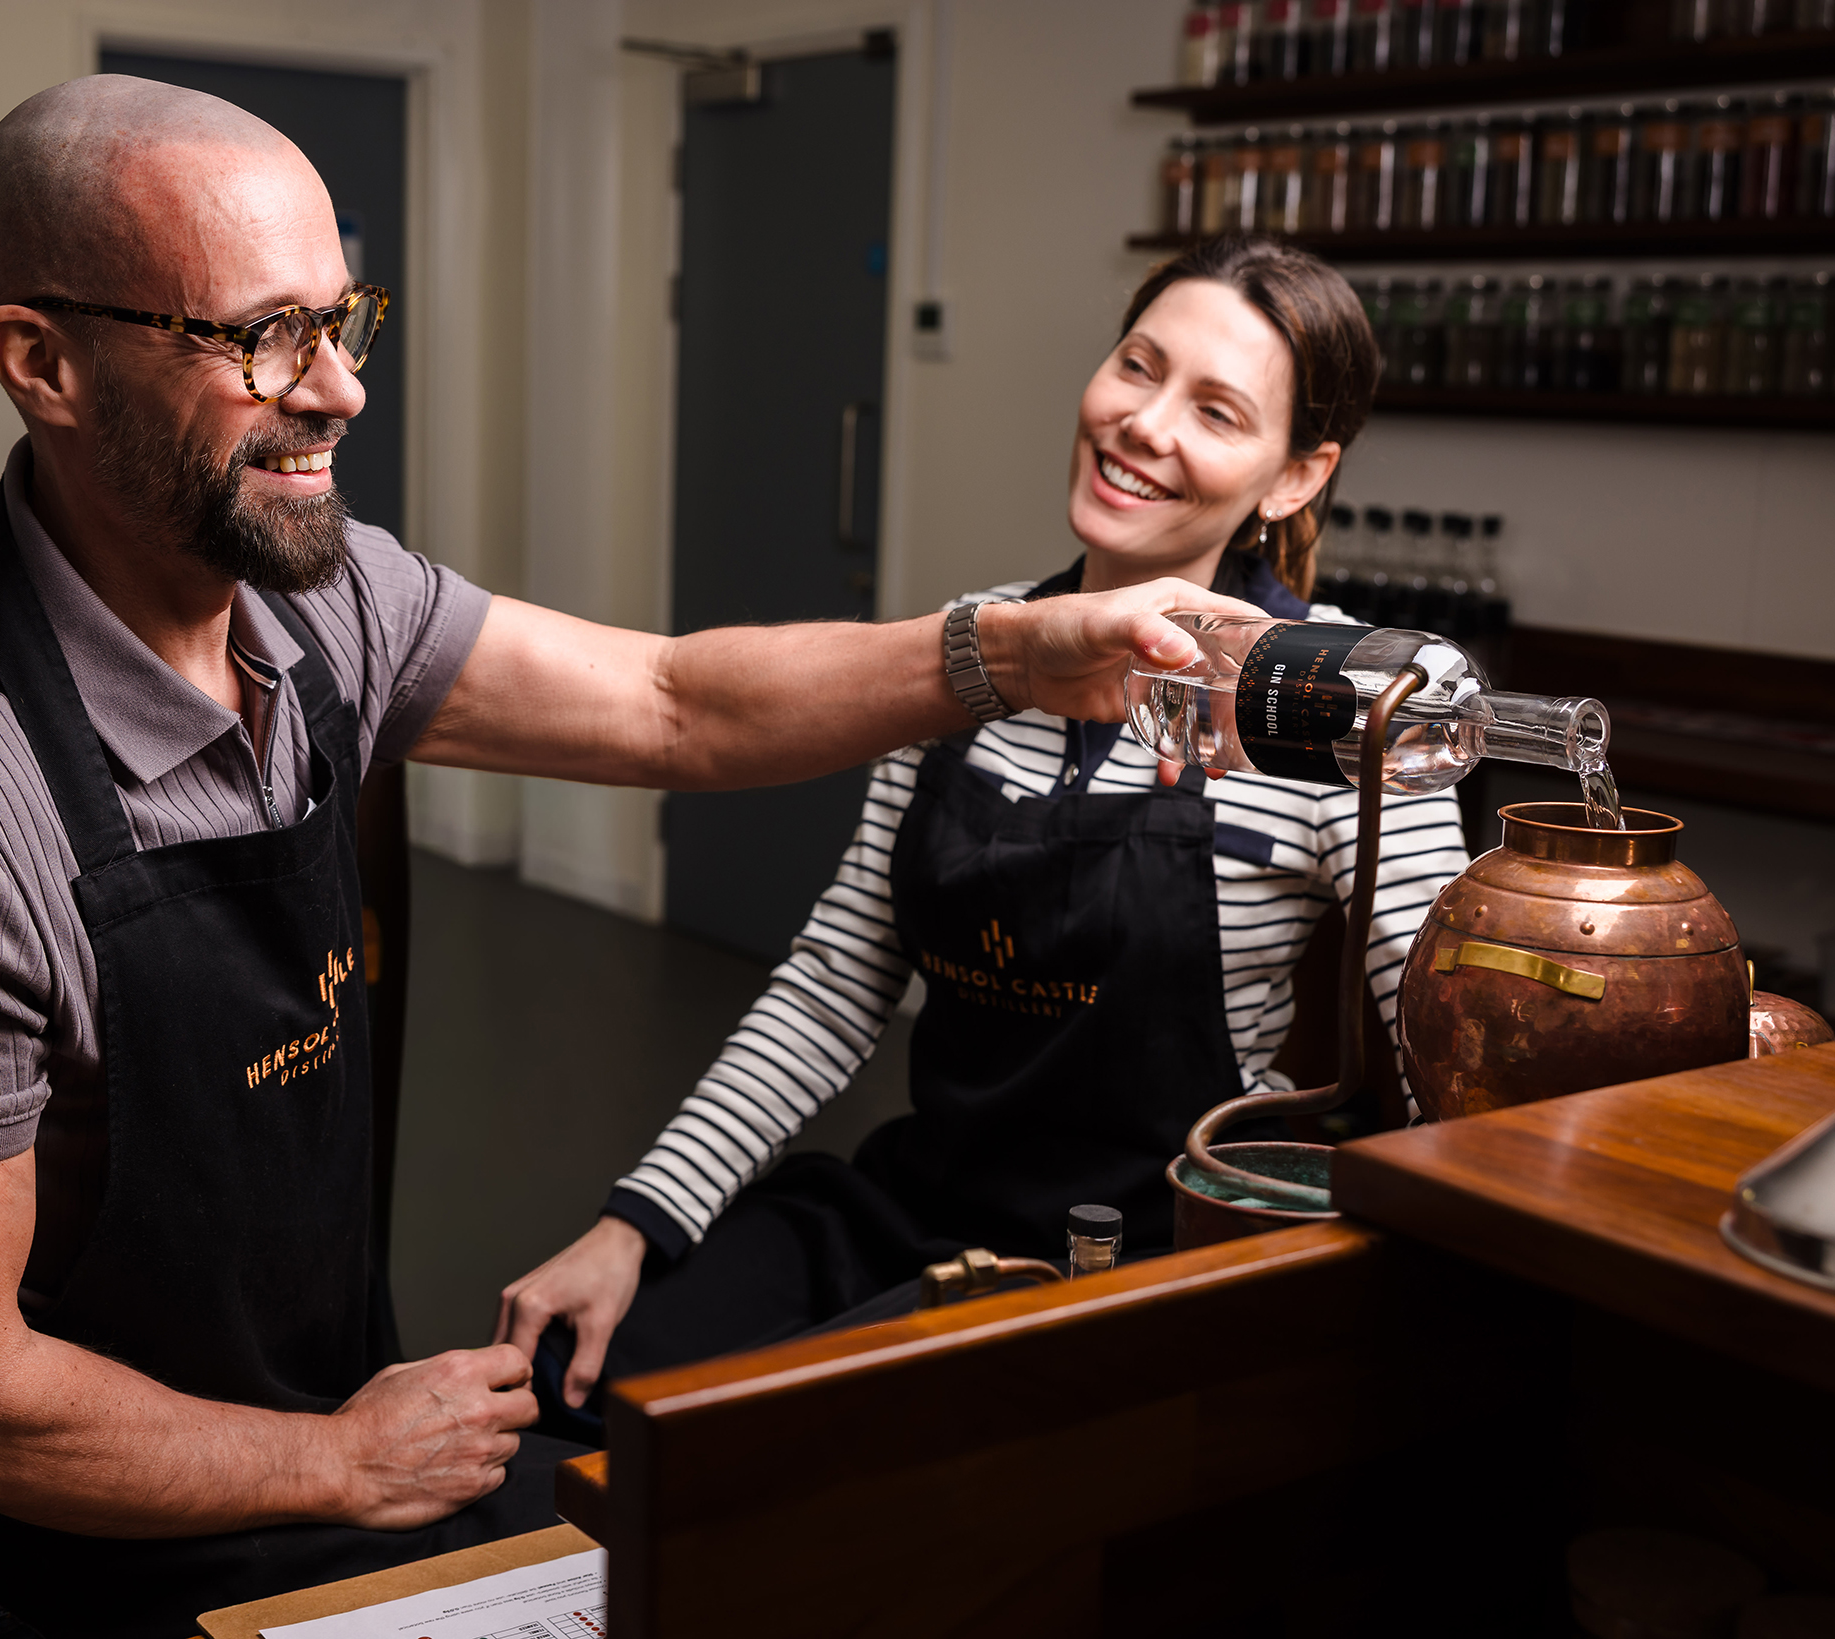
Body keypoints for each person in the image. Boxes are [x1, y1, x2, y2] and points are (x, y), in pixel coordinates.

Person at [0, 78, 1259, 1639]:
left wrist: (1012, 650)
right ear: (41, 360)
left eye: (342, 319)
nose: (339, 391)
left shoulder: (322, 610)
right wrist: (335, 1456)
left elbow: (671, 704)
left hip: (311, 1467)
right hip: (39, 1576)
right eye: (262, 338)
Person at [494, 234, 1474, 1436]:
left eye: (1215, 410)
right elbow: (833, 986)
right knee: (565, 1384)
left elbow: (1450, 1042)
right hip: (916, 1215)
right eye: (1136, 365)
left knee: (808, 1471)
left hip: (1150, 1256)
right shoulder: (970, 652)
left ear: (1292, 476)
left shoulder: (1342, 698)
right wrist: (637, 1222)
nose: (1143, 424)